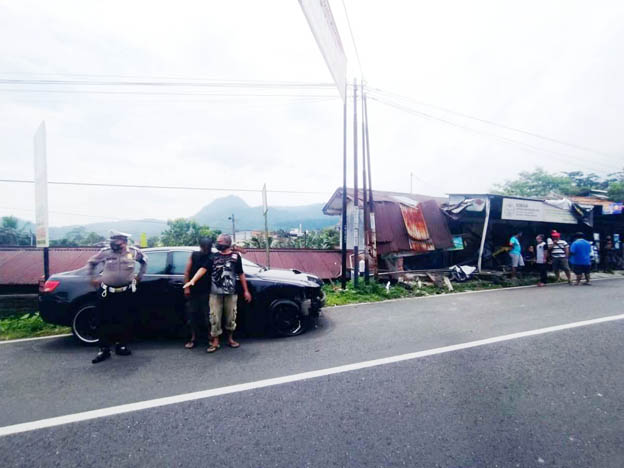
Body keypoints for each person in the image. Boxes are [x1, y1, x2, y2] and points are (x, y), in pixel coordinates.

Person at [183, 234, 252, 353]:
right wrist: (192, 281)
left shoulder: (236, 256)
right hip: (215, 294)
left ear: (226, 243)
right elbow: (202, 269)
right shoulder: (214, 256)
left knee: (231, 318)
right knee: (214, 319)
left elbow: (241, 274)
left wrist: (246, 291)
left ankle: (230, 339)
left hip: (231, 293)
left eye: (219, 241)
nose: (217, 243)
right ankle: (215, 341)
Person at [87, 230, 147, 364]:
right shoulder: (106, 252)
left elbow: (144, 262)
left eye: (117, 242)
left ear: (124, 242)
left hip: (125, 292)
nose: (114, 245)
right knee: (103, 321)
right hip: (107, 292)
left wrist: (139, 277)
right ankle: (104, 349)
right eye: (113, 242)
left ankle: (122, 345)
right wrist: (92, 278)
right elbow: (91, 263)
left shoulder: (134, 252)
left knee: (124, 319)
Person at [182, 237, 213, 349]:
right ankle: (193, 339)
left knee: (208, 317)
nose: (205, 249)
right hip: (194, 291)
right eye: (204, 247)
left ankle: (210, 338)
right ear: (200, 246)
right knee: (192, 316)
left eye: (207, 247)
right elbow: (187, 272)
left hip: (208, 291)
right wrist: (187, 288)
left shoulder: (212, 256)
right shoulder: (194, 255)